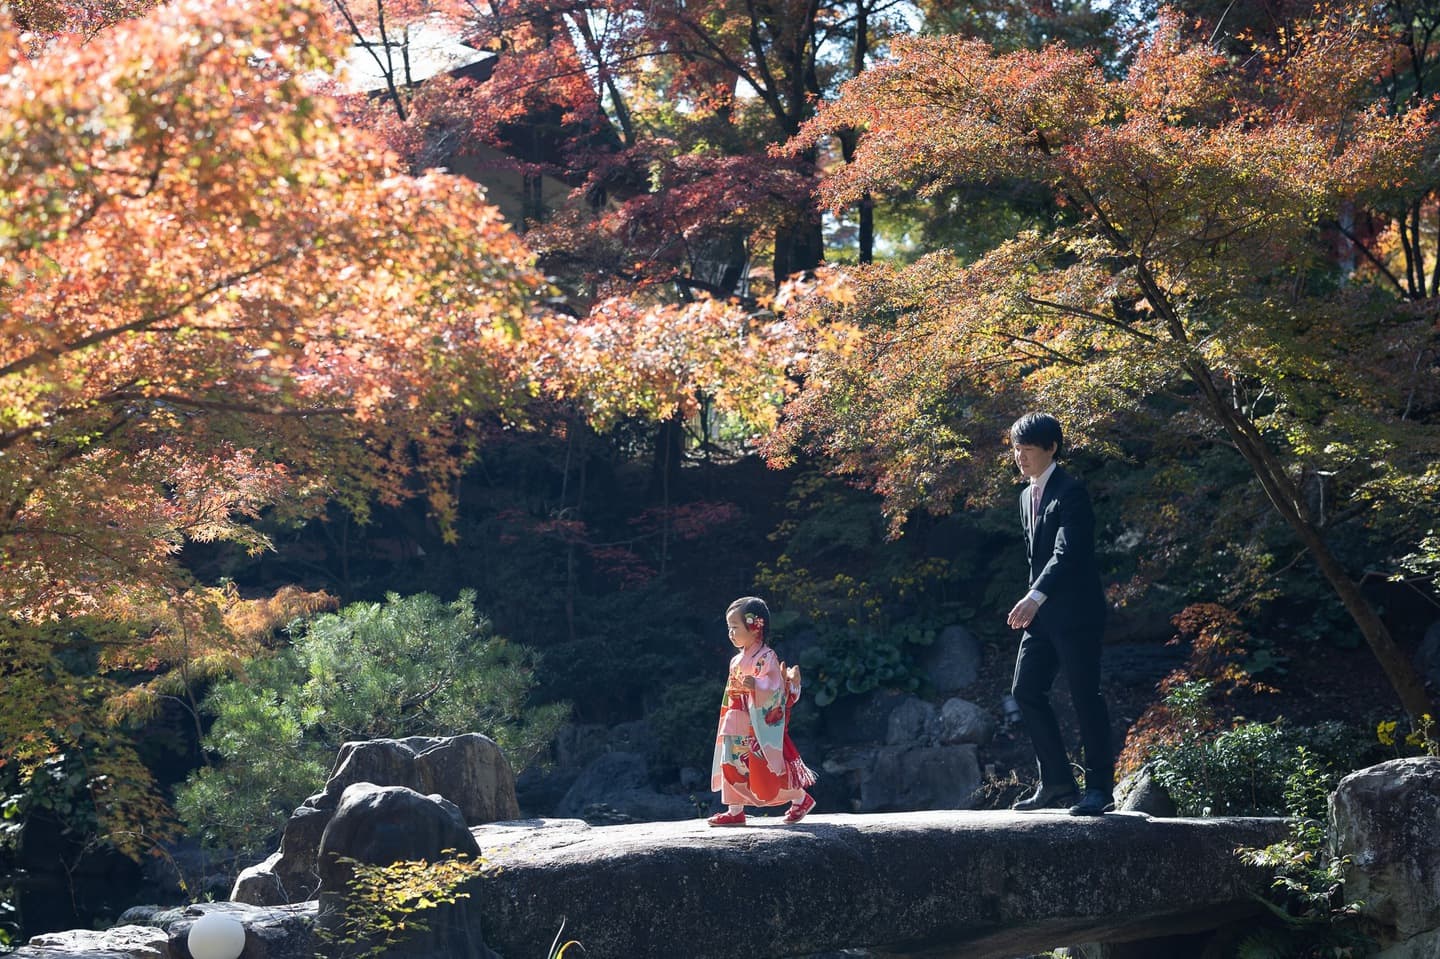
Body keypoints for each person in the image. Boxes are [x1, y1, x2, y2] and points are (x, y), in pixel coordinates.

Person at [1005, 413, 1114, 817]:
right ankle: (1056, 783)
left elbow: (1068, 553)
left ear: (1051, 448)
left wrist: (1034, 596)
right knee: (1025, 691)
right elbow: (1036, 558)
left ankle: (1100, 788)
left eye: (1028, 450)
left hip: (1076, 612)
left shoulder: (1072, 492)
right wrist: (1034, 600)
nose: (1021, 457)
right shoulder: (1023, 496)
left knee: (1085, 696)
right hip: (1042, 615)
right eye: (1016, 449)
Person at [709, 596, 817, 826]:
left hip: (755, 722)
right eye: (729, 628)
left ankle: (800, 797)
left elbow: (774, 687)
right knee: (730, 761)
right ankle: (735, 809)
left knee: (762, 769)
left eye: (735, 627)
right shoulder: (736, 660)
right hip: (735, 716)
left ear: (755, 628)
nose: (730, 633)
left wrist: (757, 685)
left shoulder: (767, 657)